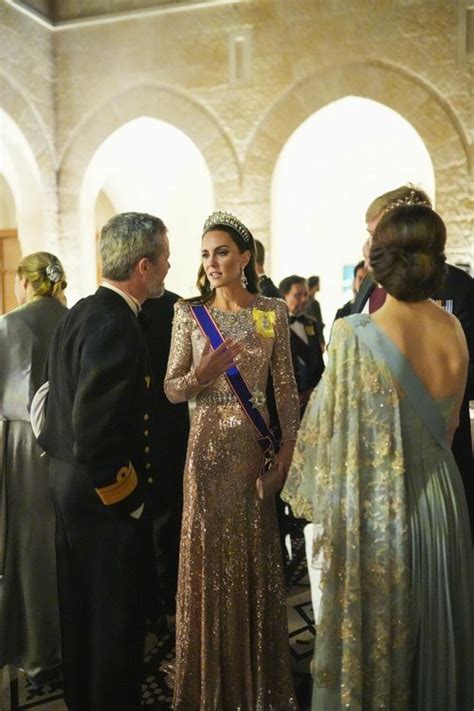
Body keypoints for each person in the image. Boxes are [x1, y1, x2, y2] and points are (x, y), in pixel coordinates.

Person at [283, 202, 474, 710]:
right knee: (438, 639)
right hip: (443, 503)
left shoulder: (354, 335)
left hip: (384, 515)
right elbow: (451, 427)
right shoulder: (453, 330)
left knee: (381, 651)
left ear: (378, 259)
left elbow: (328, 441)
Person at [164, 211, 299, 710]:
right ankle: (210, 688)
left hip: (253, 453)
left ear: (245, 257)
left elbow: (284, 389)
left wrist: (284, 456)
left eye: (221, 252)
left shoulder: (271, 311)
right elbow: (171, 389)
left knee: (253, 562)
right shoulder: (188, 313)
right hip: (204, 456)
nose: (212, 262)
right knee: (208, 566)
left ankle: (258, 688)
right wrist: (199, 375)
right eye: (205, 254)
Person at [38, 212, 170, 710]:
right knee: (114, 624)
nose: (168, 266)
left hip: (68, 481)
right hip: (100, 494)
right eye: (163, 258)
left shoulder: (82, 310)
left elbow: (49, 401)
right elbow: (97, 429)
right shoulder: (117, 323)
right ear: (142, 266)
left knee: (82, 615)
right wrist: (130, 499)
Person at [354, 185, 474, 534]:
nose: (369, 245)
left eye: (375, 234)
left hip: (435, 448)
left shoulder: (458, 288)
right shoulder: (369, 285)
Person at [0, 252, 67, 686]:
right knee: (62, 543)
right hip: (67, 445)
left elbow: (10, 393)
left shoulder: (12, 323)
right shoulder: (72, 316)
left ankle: (38, 652)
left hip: (25, 444)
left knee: (29, 545)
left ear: (25, 282)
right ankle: (68, 643)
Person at [140, 289, 190, 622]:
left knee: (159, 515)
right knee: (169, 514)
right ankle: (169, 596)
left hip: (153, 424)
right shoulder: (177, 305)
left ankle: (161, 598)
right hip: (172, 422)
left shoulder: (176, 307)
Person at [279, 274, 325, 416]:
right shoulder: (276, 326)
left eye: (305, 294)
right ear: (284, 296)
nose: (304, 299)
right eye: (298, 295)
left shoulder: (311, 323)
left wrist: (317, 390)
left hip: (313, 399)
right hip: (287, 401)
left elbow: (318, 360)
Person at [305, 275, 325, 348]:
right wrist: (321, 340)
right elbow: (318, 322)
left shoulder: (306, 301)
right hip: (314, 337)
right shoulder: (314, 303)